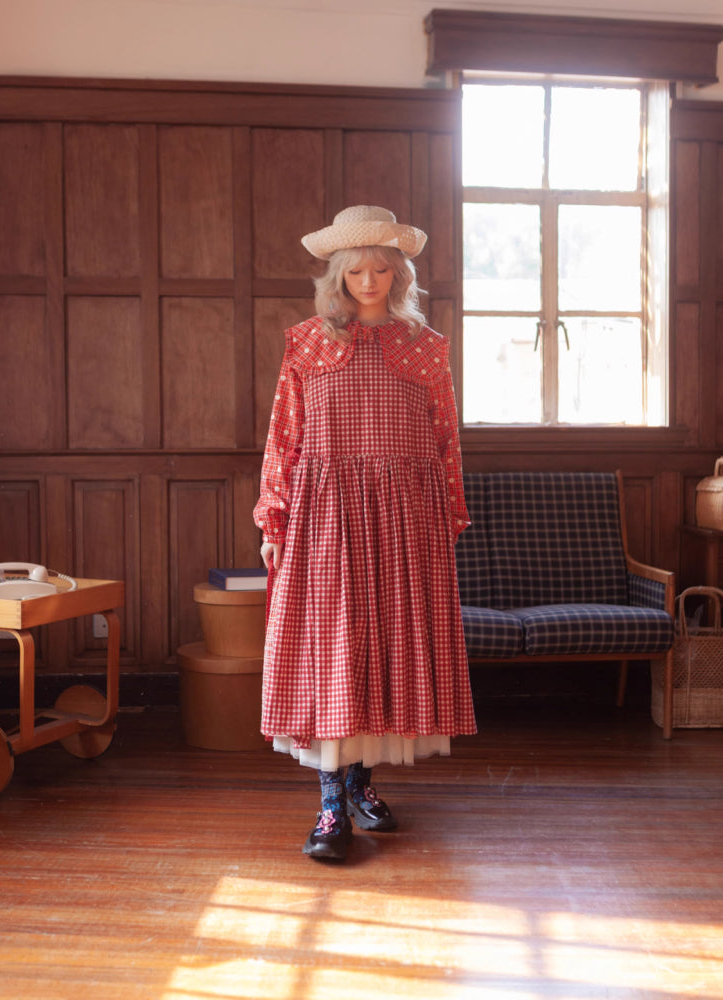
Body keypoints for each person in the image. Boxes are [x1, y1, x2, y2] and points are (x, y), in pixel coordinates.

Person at [254, 205, 476, 861]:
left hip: (404, 516)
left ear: (399, 274)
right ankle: (329, 808)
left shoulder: (426, 346)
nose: (370, 280)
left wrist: (447, 514)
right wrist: (274, 513)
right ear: (339, 275)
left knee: (384, 643)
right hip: (325, 515)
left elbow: (446, 441)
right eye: (358, 270)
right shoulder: (305, 343)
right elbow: (284, 437)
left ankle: (361, 784)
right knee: (334, 648)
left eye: (382, 269)